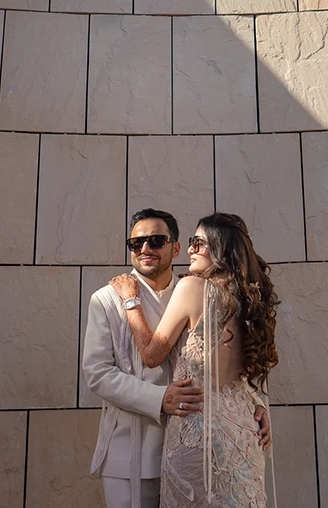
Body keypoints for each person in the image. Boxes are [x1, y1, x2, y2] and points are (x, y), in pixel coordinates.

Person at [109, 212, 280, 508]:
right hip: (244, 435)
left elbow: (152, 355)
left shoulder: (192, 288)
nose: (190, 249)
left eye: (198, 243)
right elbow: (238, 375)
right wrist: (259, 405)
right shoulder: (248, 302)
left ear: (220, 248)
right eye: (191, 242)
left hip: (198, 435)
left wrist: (130, 300)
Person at [84, 208, 204, 508]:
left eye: (156, 240)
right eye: (136, 243)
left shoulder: (196, 292)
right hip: (130, 454)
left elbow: (225, 357)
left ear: (176, 247)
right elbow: (97, 373)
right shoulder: (107, 299)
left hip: (194, 448)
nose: (145, 249)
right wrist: (159, 398)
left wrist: (253, 404)